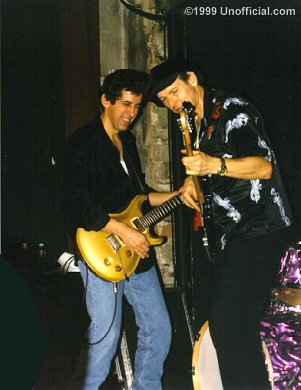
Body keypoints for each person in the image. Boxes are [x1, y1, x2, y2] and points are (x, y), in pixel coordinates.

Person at [145, 59, 293, 390]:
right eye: (164, 100)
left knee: (228, 324)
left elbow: (263, 168)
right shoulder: (194, 126)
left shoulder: (232, 110)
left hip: (259, 229)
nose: (171, 103)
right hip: (229, 238)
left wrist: (214, 164)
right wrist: (191, 181)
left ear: (192, 78)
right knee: (231, 326)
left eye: (174, 91)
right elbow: (205, 175)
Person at [63, 69, 182, 390]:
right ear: (105, 100)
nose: (132, 113)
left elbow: (139, 198)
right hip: (101, 249)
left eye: (137, 106)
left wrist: (180, 195)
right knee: (106, 335)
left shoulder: (127, 141)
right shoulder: (81, 145)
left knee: (159, 329)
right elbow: (75, 202)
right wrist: (122, 230)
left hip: (136, 253)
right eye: (125, 104)